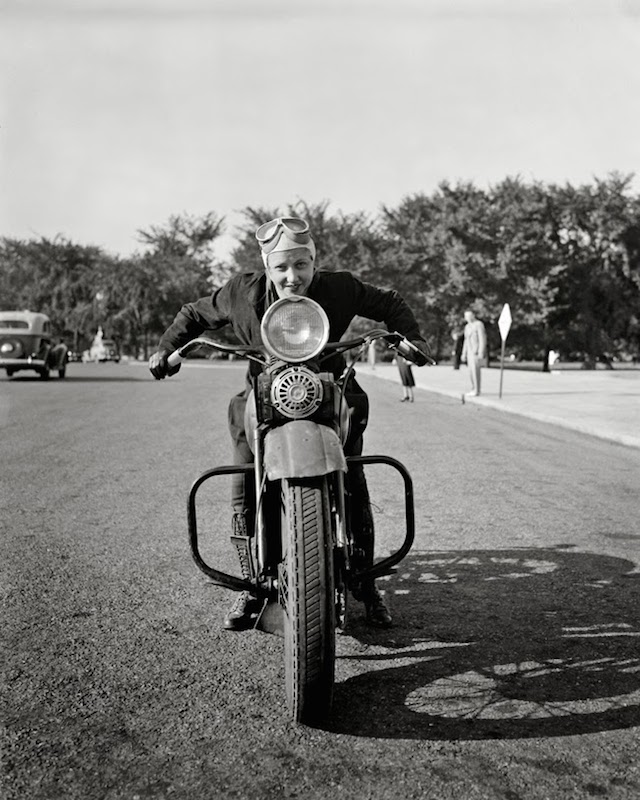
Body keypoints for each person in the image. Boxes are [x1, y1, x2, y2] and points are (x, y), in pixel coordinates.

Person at [149, 216, 429, 630]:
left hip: (329, 389)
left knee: (353, 476)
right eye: (281, 267)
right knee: (244, 473)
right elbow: (194, 314)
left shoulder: (339, 287)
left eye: (301, 265)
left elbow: (387, 301)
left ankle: (366, 584)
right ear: (266, 265)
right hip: (262, 394)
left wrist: (411, 338)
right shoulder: (240, 292)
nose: (292, 276)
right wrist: (166, 349)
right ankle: (251, 582)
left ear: (314, 261)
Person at [461, 309, 486, 396]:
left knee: (476, 371)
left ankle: (477, 390)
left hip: (476, 352)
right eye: (465, 316)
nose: (467, 318)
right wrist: (463, 353)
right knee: (470, 372)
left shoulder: (478, 324)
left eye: (468, 316)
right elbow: (465, 341)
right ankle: (473, 388)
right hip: (469, 352)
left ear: (473, 316)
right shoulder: (467, 327)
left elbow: (482, 339)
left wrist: (481, 352)